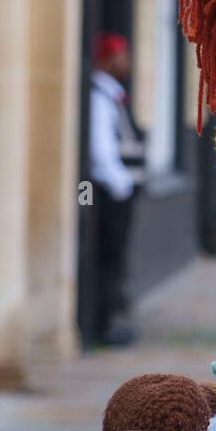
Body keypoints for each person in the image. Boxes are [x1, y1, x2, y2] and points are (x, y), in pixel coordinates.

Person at [89, 32, 145, 346]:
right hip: (110, 195)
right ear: (107, 60)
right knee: (109, 258)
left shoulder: (112, 94)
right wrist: (121, 185)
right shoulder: (99, 96)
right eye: (122, 56)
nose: (127, 62)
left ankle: (111, 318)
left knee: (117, 258)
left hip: (119, 194)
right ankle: (103, 324)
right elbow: (100, 150)